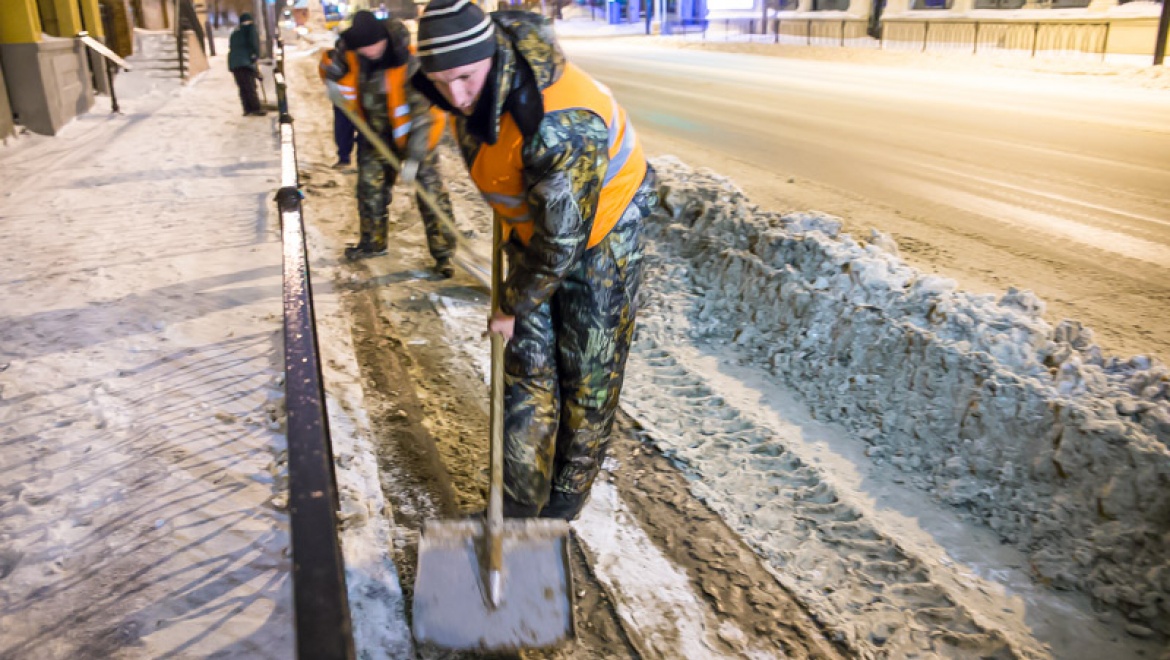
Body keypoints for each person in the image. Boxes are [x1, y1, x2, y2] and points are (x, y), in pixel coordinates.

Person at [412, 0, 658, 520]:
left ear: (491, 58)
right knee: (526, 365)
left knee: (587, 371)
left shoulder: (560, 123)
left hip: (603, 233)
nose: (455, 95)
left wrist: (511, 303)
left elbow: (562, 243)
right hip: (539, 229)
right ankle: (519, 504)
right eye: (441, 81)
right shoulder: (469, 87)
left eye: (464, 77)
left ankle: (565, 500)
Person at [322, 10, 458, 272]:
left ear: (384, 38)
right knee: (369, 190)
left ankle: (444, 255)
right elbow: (332, 66)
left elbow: (423, 117)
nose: (370, 51)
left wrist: (415, 158)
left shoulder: (409, 61)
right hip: (374, 135)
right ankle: (372, 243)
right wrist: (331, 80)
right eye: (363, 48)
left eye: (374, 46)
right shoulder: (352, 52)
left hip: (416, 135)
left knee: (431, 194)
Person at [318, 40, 358, 169]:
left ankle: (344, 158)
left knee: (343, 131)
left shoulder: (330, 57)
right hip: (354, 102)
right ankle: (350, 159)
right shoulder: (362, 57)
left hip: (345, 102)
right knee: (358, 132)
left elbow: (324, 74)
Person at [228, 13, 264, 117]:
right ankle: (255, 108)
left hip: (234, 63)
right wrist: (255, 55)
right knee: (250, 86)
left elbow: (231, 46)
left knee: (242, 87)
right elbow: (254, 44)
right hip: (245, 62)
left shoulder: (235, 32)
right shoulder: (250, 28)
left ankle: (247, 108)